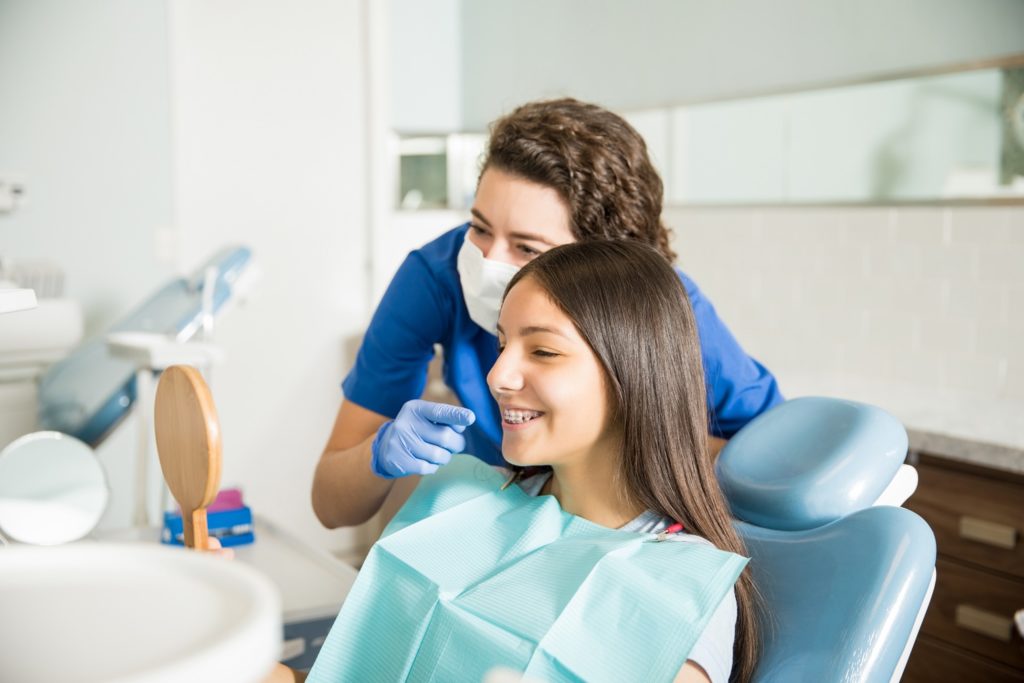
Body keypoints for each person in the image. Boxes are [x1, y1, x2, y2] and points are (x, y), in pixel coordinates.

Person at [277, 240, 757, 683]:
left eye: (543, 351)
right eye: (502, 345)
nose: (498, 375)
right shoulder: (459, 498)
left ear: (632, 374)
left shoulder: (681, 583)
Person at [312, 98, 783, 531]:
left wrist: (644, 443)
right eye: (478, 227)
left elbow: (781, 472)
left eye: (527, 247)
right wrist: (380, 454)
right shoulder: (437, 276)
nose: (487, 261)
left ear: (606, 270)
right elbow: (332, 505)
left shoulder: (666, 313)